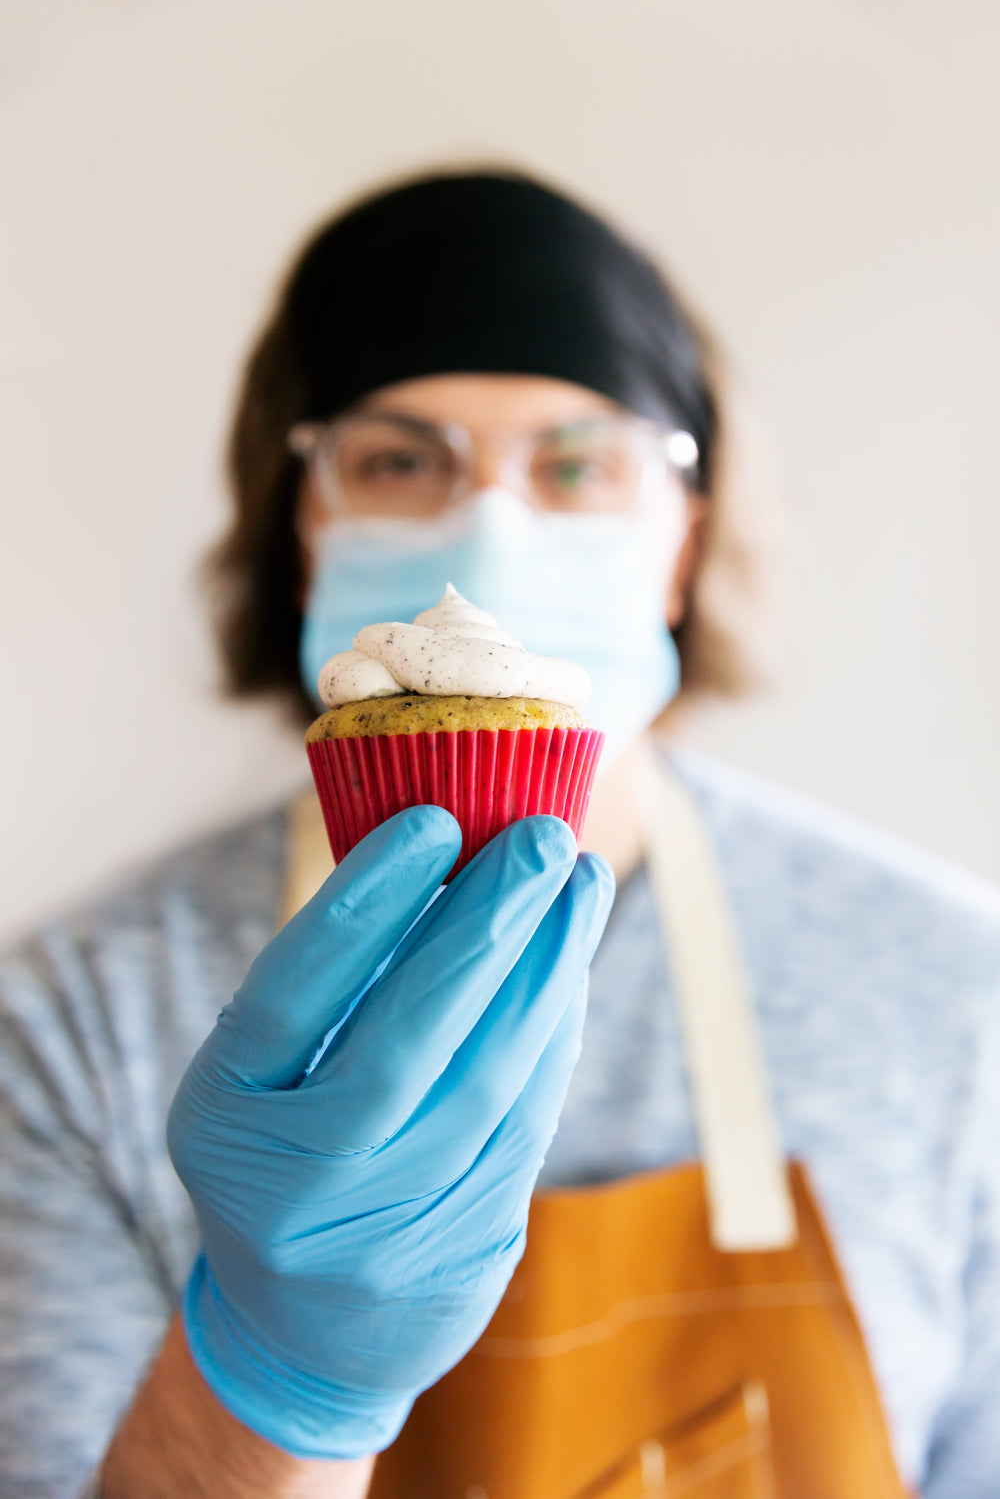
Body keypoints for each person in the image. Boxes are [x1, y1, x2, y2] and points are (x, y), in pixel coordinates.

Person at [1, 168, 998, 1499]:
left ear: (683, 542)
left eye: (580, 463)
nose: (491, 527)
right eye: (400, 459)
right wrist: (273, 1376)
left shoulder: (949, 991)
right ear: (302, 530)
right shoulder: (78, 1022)